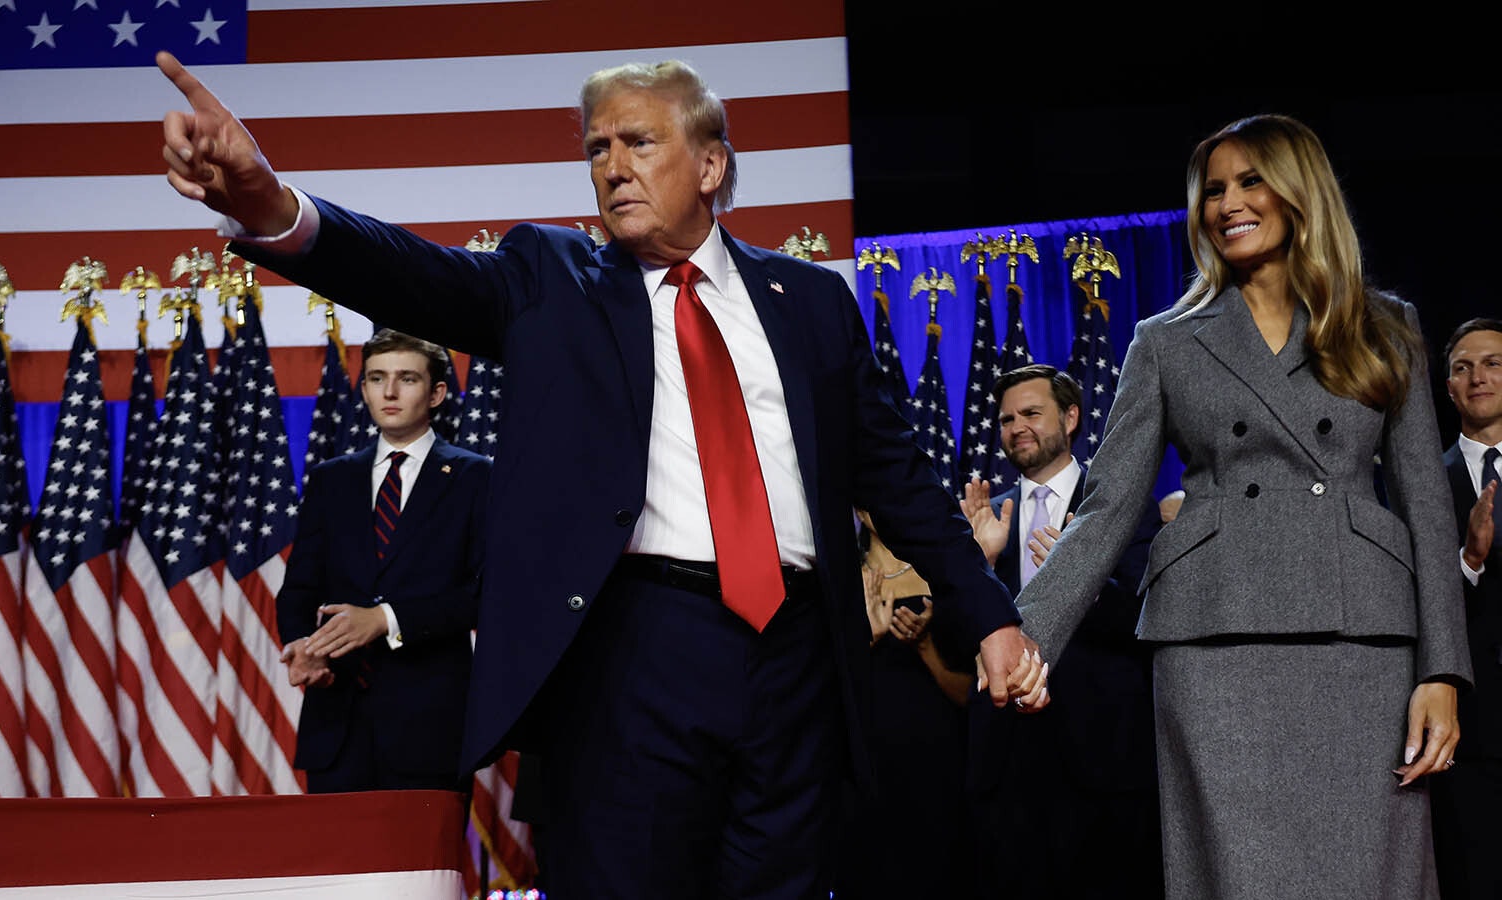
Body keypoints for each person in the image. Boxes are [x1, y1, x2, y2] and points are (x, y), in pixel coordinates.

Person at [155, 52, 1045, 898]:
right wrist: (273, 205)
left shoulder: (808, 301)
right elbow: (412, 276)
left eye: (638, 142)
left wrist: (991, 621)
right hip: (630, 657)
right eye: (596, 149)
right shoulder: (551, 279)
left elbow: (896, 479)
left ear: (710, 165)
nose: (611, 166)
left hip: (802, 661)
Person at [1011, 114, 1471, 899]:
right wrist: (1026, 634)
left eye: (1249, 181)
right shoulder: (1165, 340)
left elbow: (1429, 512)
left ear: (1300, 192)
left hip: (1361, 639)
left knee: (1370, 874)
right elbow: (1109, 507)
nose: (1227, 203)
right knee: (1236, 877)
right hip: (1214, 641)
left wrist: (1443, 671)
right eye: (1212, 189)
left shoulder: (1385, 326)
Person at [959, 364, 1162, 899]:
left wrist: (1087, 587)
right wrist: (979, 567)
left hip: (1104, 759)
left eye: (1030, 413)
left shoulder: (1119, 505)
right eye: (1005, 419)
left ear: (1071, 417)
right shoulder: (982, 519)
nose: (1015, 427)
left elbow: (1152, 618)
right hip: (1008, 763)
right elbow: (960, 646)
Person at [276, 328, 490, 793]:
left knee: (422, 866)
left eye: (406, 379)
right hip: (336, 721)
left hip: (429, 729)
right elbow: (298, 589)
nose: (389, 392)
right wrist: (300, 646)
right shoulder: (332, 480)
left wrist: (386, 619)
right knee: (338, 865)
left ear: (436, 393)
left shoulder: (477, 477)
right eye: (376, 378)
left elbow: (486, 593)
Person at [833, 511, 974, 898]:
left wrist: (925, 646)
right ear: (858, 509)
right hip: (864, 770)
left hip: (939, 769)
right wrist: (866, 642)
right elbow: (814, 690)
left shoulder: (947, 575)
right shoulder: (837, 576)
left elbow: (972, 694)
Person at [1432, 317, 1502, 899]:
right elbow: (1413, 605)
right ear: (1449, 387)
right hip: (1474, 730)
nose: (1478, 376)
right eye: (1463, 367)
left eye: (1493, 363)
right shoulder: (1421, 483)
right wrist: (1470, 560)